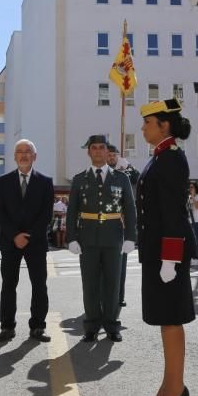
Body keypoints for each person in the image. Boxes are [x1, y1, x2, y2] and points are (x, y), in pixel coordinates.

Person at [135, 98, 195, 396]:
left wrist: (171, 257)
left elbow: (173, 212)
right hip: (157, 251)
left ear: (165, 126)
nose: (143, 127)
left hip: (167, 254)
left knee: (171, 320)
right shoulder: (159, 157)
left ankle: (175, 389)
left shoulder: (171, 159)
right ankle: (169, 385)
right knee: (164, 319)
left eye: (148, 122)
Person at [65, 135, 137, 342]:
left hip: (114, 237)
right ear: (89, 152)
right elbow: (72, 212)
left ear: (108, 152)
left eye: (101, 147)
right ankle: (92, 325)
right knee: (90, 283)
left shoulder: (121, 178)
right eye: (93, 148)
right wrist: (72, 238)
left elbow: (130, 210)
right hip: (87, 238)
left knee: (113, 283)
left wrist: (131, 237)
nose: (97, 151)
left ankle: (112, 325)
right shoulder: (80, 179)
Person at [0, 139, 54, 342]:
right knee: (8, 285)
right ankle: (7, 327)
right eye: (19, 151)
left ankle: (38, 326)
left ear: (34, 156)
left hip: (35, 243)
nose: (24, 155)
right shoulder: (3, 181)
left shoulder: (45, 182)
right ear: (14, 156)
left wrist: (28, 236)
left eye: (28, 151)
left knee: (39, 285)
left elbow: (46, 215)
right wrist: (14, 235)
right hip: (10, 242)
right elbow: (0, 212)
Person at [109, 143, 139, 307]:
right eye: (110, 155)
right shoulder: (101, 172)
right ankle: (104, 297)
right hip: (104, 223)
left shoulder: (125, 172)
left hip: (121, 224)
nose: (112, 158)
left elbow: (138, 178)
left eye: (114, 155)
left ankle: (119, 296)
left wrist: (128, 166)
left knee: (121, 264)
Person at [187, 182, 198, 266]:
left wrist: (193, 196)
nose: (190, 189)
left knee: (197, 240)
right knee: (190, 240)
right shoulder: (188, 197)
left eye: (192, 187)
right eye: (189, 187)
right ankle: (192, 257)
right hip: (189, 221)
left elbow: (197, 207)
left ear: (195, 188)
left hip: (196, 221)